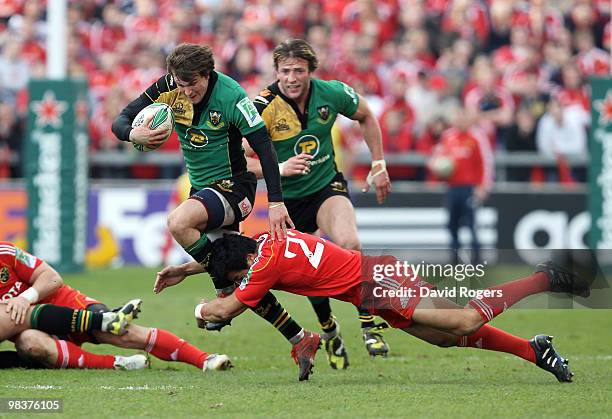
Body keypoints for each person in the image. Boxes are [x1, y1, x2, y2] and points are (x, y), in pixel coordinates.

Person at [113, 43, 318, 380]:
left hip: (235, 187)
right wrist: (133, 133)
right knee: (242, 279)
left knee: (178, 222)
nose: (186, 90)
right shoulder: (169, 87)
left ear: (207, 75)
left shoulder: (232, 96)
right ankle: (300, 338)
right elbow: (120, 120)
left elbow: (264, 148)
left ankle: (221, 287)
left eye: (192, 83)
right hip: (203, 192)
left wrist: (276, 201)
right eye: (180, 83)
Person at [194, 230, 586, 383]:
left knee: (464, 320)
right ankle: (534, 350)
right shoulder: (267, 239)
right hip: (372, 289)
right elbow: (241, 274)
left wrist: (200, 311)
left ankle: (545, 279)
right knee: (446, 338)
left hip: (379, 281)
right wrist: (186, 268)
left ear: (245, 264)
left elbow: (225, 311)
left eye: (236, 278)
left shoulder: (262, 265)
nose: (239, 284)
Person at [244, 39, 392, 368]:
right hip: (287, 202)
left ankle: (369, 323)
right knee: (311, 275)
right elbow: (238, 162)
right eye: (285, 71)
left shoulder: (332, 92)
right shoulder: (262, 107)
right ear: (276, 72)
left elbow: (366, 116)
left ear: (311, 71)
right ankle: (329, 330)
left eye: (299, 70)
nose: (292, 77)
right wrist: (280, 168)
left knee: (350, 242)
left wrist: (378, 164)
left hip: (327, 186)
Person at [0, 242, 231, 372]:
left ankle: (204, 359)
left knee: (123, 333)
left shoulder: (6, 253)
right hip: (34, 330)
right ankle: (118, 363)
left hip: (66, 304)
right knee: (30, 343)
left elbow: (51, 279)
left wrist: (25, 297)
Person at [429, 106, 493, 264]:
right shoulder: (447, 136)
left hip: (470, 188)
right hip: (452, 187)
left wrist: (483, 186)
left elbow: (486, 163)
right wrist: (436, 167)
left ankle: (477, 260)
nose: (460, 120)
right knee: (452, 224)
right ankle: (454, 258)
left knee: (472, 224)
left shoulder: (477, 137)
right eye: (458, 116)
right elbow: (436, 158)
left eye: (463, 116)